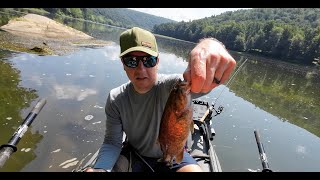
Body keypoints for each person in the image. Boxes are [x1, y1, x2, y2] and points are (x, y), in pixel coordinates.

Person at [85, 27, 236, 172]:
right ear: (123, 64)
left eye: (148, 60)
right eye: (131, 61)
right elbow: (112, 142)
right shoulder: (115, 98)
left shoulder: (174, 87)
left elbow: (205, 82)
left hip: (175, 155)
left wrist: (210, 45)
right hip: (135, 154)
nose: (141, 69)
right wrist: (101, 168)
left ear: (157, 62)